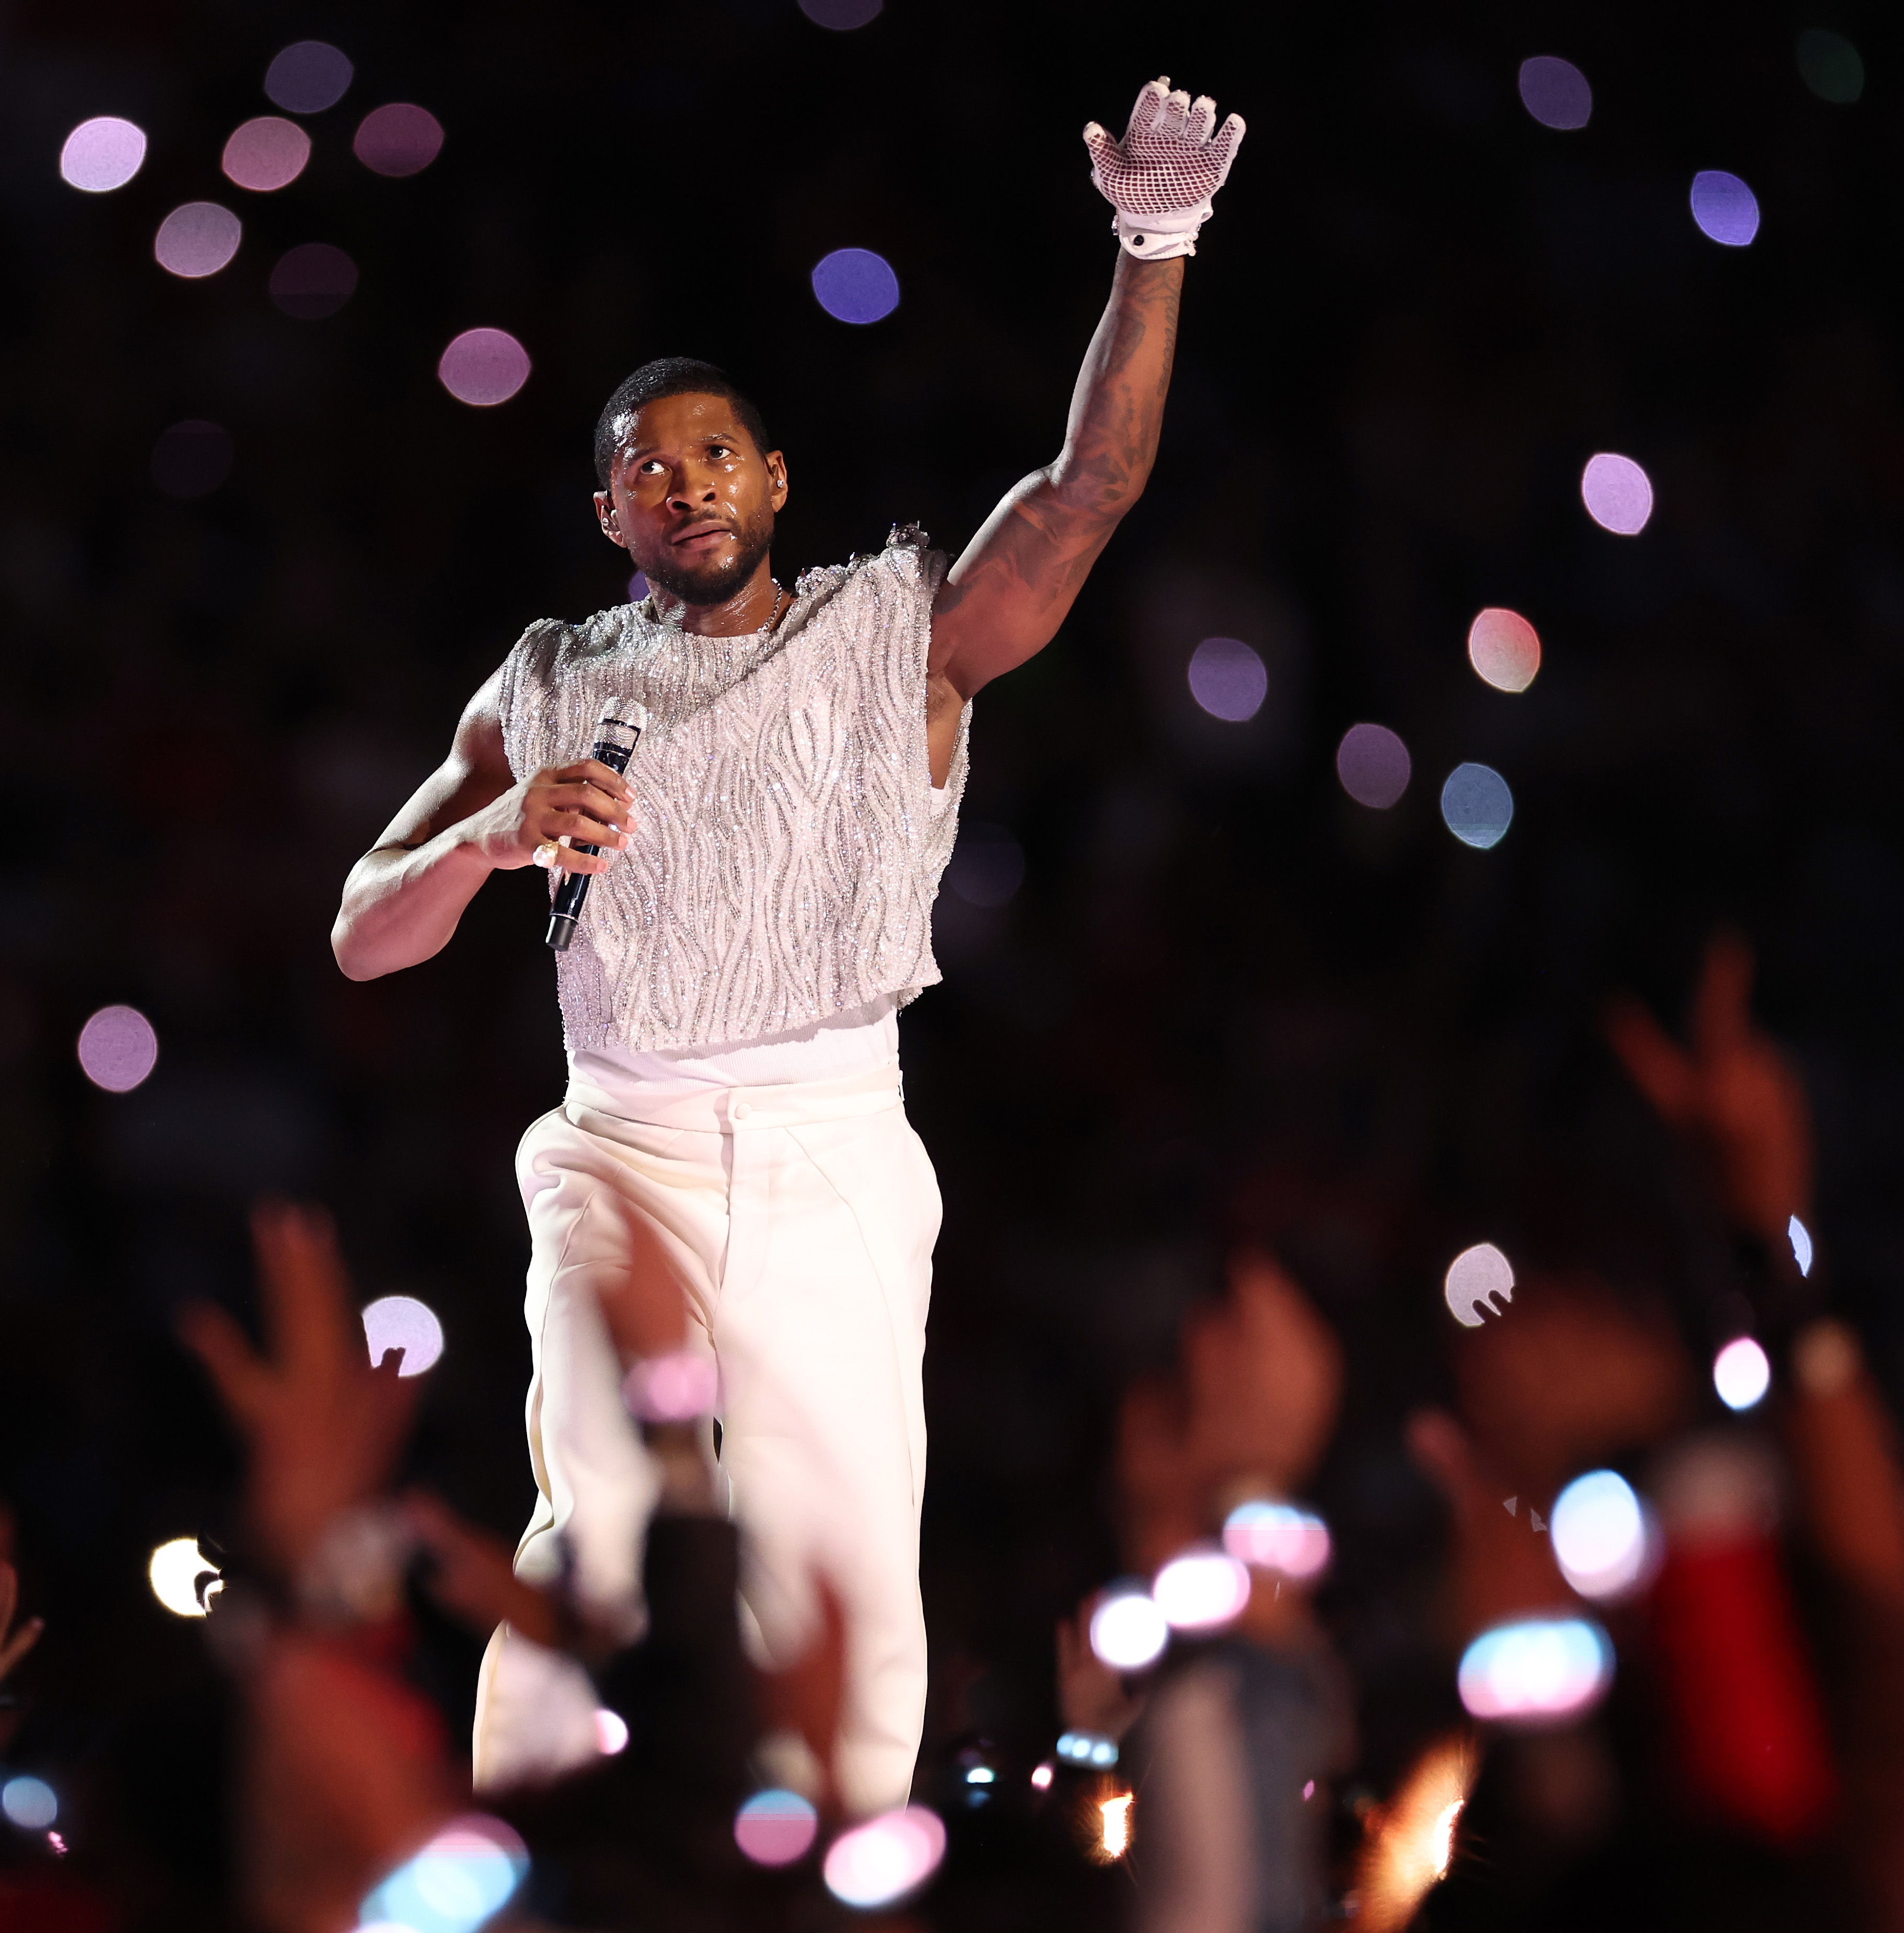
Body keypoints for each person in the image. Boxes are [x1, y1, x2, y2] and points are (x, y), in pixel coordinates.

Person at [330, 77, 1248, 1808]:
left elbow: (1089, 486)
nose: (683, 481)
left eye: (713, 452)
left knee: (838, 1560)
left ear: (774, 477)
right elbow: (364, 939)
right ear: (610, 517)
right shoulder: (543, 680)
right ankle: (521, 1874)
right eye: (644, 469)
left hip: (832, 1143)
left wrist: (1156, 246)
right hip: (626, 1142)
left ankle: (834, 1875)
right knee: (594, 1519)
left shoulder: (896, 630)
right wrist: (491, 830)